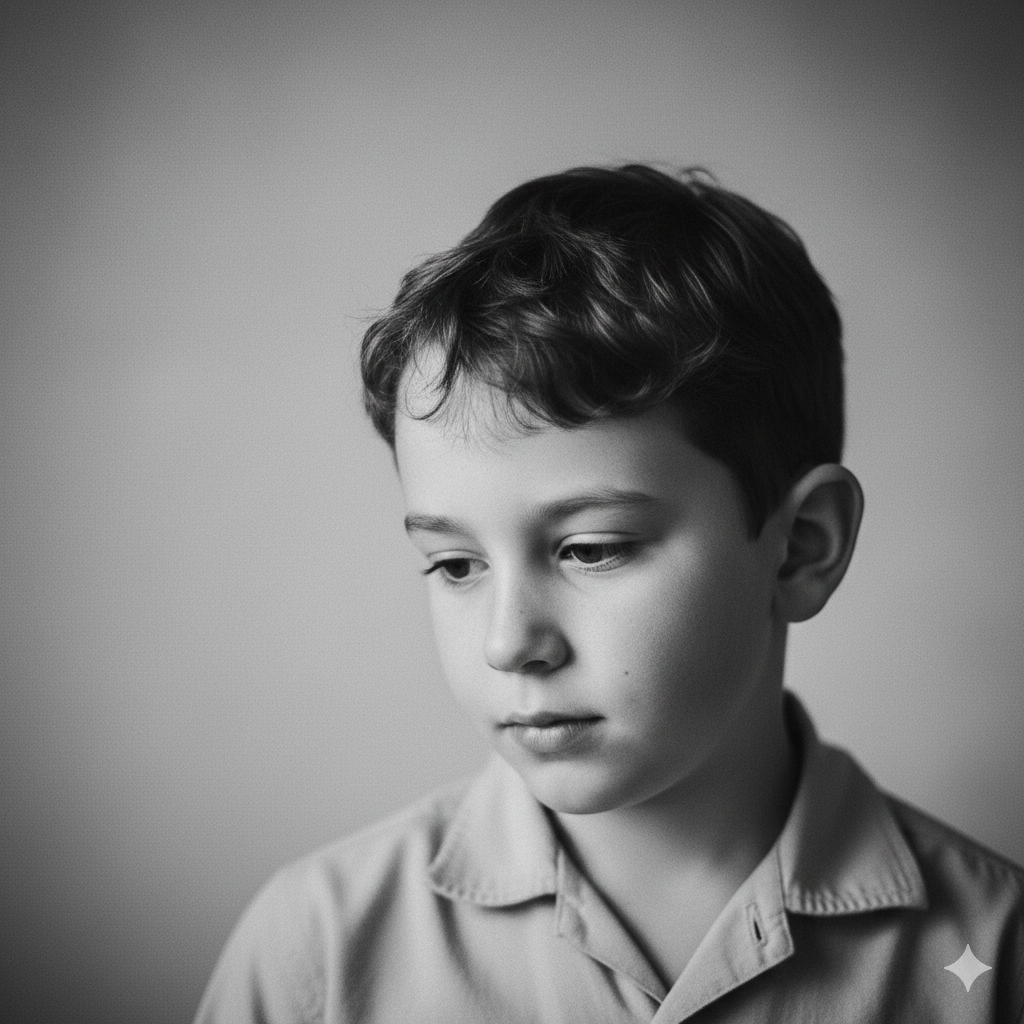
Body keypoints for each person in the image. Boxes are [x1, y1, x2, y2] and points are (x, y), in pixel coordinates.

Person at [194, 165, 1023, 1022]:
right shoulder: (320, 952)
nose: (509, 643)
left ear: (801, 549)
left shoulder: (996, 957)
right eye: (455, 565)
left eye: (591, 550)